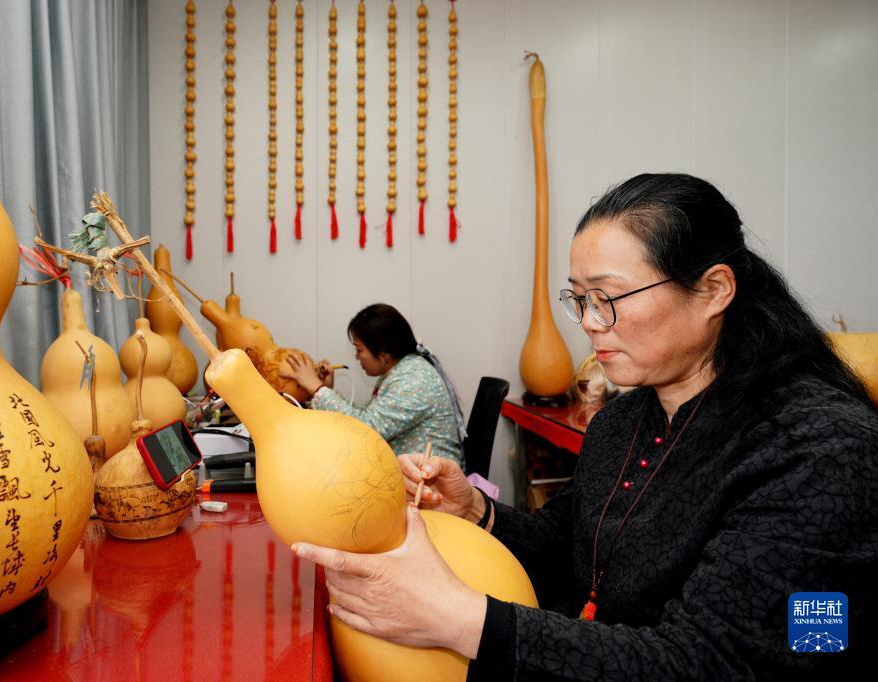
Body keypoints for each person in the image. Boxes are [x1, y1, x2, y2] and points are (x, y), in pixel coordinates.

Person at [291, 174, 878, 679]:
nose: (591, 323)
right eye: (580, 299)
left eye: (609, 297)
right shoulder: (623, 421)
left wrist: (462, 620)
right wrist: (477, 511)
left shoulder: (822, 450)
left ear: (713, 290)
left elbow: (718, 662)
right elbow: (572, 551)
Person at [282, 303, 467, 467]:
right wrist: (325, 390)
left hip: (429, 484)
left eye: (359, 349)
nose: (357, 357)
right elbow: (367, 418)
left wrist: (317, 389)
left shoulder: (414, 379)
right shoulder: (402, 371)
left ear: (384, 353)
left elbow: (367, 430)